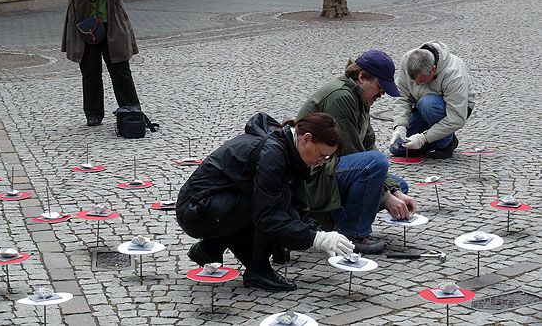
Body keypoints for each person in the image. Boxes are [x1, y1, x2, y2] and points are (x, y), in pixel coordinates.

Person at [176, 112, 354, 292]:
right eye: (322, 155)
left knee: (274, 204)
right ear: (306, 139)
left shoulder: (290, 151)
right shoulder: (273, 154)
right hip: (195, 209)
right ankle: (257, 269)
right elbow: (268, 216)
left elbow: (298, 206)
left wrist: (321, 232)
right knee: (268, 208)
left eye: (326, 159)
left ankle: (211, 248)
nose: (321, 162)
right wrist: (315, 239)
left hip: (215, 204)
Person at [297, 50, 417, 254]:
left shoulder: (359, 97)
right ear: (362, 77)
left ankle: (332, 218)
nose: (382, 93)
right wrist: (386, 197)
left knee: (399, 186)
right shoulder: (341, 97)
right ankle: (353, 232)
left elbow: (368, 146)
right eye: (380, 86)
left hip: (330, 170)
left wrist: (393, 191)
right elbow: (350, 153)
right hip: (312, 176)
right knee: (376, 165)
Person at [62, 0, 141, 127]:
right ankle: (93, 113)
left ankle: (131, 109)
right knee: (90, 71)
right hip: (85, 24)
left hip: (111, 22)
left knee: (120, 67)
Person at [390, 41, 475, 159]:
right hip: (422, 108)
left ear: (433, 69)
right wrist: (400, 126)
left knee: (428, 103)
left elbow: (456, 118)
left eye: (421, 81)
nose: (416, 84)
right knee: (397, 148)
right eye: (413, 81)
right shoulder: (407, 60)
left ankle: (446, 143)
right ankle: (436, 138)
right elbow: (402, 96)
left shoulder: (454, 74)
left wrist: (423, 138)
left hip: (453, 110)